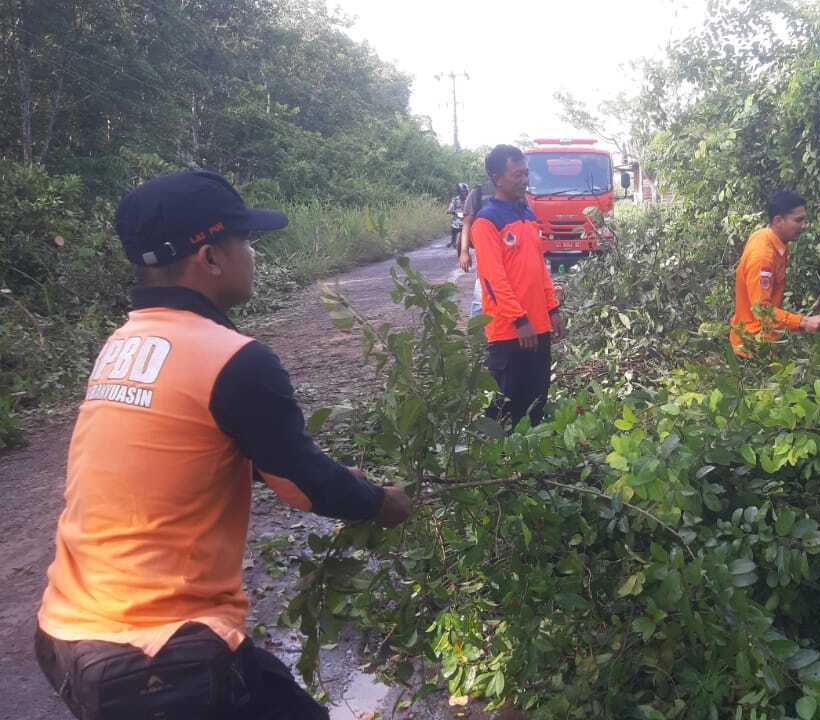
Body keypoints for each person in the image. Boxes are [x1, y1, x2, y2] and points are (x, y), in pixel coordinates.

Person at [34, 170, 413, 720]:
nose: (253, 256)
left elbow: (220, 456)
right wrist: (382, 502)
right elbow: (304, 486)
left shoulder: (124, 343)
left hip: (70, 631)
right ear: (210, 258)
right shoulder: (234, 359)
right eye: (245, 242)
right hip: (157, 656)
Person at [471, 145, 565, 426]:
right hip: (509, 331)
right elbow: (493, 279)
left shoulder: (528, 215)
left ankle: (529, 460)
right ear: (497, 178)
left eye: (525, 173)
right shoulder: (486, 222)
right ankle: (497, 459)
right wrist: (520, 320)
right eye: (517, 174)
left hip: (538, 326)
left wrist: (553, 309)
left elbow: (540, 269)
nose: (524, 180)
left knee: (536, 397)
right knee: (507, 402)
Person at [730, 190, 820, 355]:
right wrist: (803, 322)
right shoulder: (763, 256)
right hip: (753, 347)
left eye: (805, 219)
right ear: (778, 221)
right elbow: (762, 311)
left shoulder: (768, 237)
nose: (804, 225)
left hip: (763, 340)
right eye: (798, 220)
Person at [457, 179, 494, 318]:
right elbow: (466, 224)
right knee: (481, 299)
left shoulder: (517, 192)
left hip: (510, 253)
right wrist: (464, 252)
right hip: (485, 252)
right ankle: (478, 335)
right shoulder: (478, 193)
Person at [447, 183, 468, 248]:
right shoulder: (455, 200)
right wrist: (450, 210)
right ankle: (453, 240)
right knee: (453, 227)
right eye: (461, 191)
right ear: (458, 192)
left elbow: (473, 207)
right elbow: (451, 207)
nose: (463, 193)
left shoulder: (469, 199)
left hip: (467, 218)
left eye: (464, 191)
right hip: (457, 218)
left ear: (467, 191)